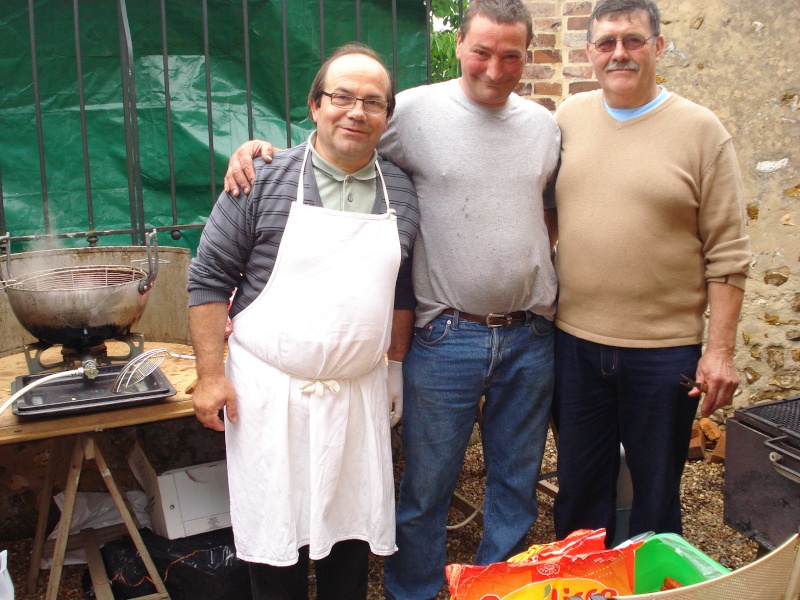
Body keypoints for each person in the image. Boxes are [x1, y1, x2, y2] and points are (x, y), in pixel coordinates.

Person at [223, 1, 561, 597]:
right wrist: (257, 151)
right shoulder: (413, 110)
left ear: (526, 57)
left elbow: (552, 210)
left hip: (530, 333)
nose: (494, 66)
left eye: (511, 55)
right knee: (426, 487)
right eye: (482, 51)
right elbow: (338, 139)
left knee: (516, 482)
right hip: (447, 333)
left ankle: (502, 588)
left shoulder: (545, 126)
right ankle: (413, 592)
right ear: (458, 45)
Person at [187, 43, 419, 600]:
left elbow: (401, 289)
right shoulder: (262, 177)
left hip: (356, 397)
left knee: (349, 541)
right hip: (270, 397)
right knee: (277, 543)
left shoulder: (403, 193)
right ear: (315, 105)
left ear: (387, 117)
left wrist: (393, 368)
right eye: (342, 97)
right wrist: (211, 376)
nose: (356, 112)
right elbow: (208, 278)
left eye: (372, 102)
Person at [548, 0, 751, 545]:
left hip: (664, 354)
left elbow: (729, 252)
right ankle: (584, 582)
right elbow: (545, 213)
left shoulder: (701, 131)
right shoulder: (568, 118)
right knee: (578, 493)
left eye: (633, 40)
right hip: (575, 345)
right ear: (589, 52)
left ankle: (653, 584)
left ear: (658, 47)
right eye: (607, 42)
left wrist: (720, 351)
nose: (620, 53)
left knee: (656, 496)